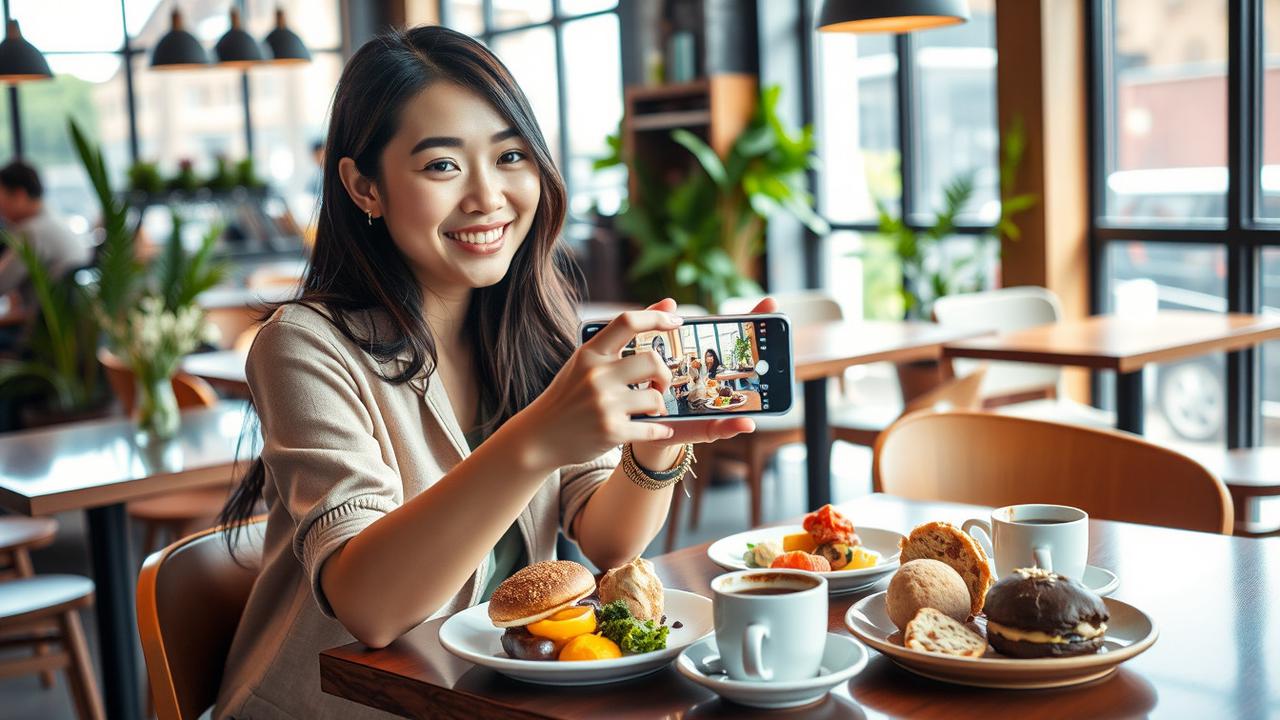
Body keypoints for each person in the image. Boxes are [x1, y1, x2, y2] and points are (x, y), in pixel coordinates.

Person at [213, 26, 775, 719]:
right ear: (364, 187)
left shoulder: (533, 327)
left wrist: (653, 450)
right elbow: (372, 608)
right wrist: (536, 439)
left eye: (511, 156)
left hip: (488, 698)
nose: (488, 196)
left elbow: (606, 540)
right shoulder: (303, 345)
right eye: (442, 166)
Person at [0, 161, 91, 297]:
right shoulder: (52, 220)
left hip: (48, 316)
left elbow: (2, 282)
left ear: (20, 195)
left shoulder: (33, 232)